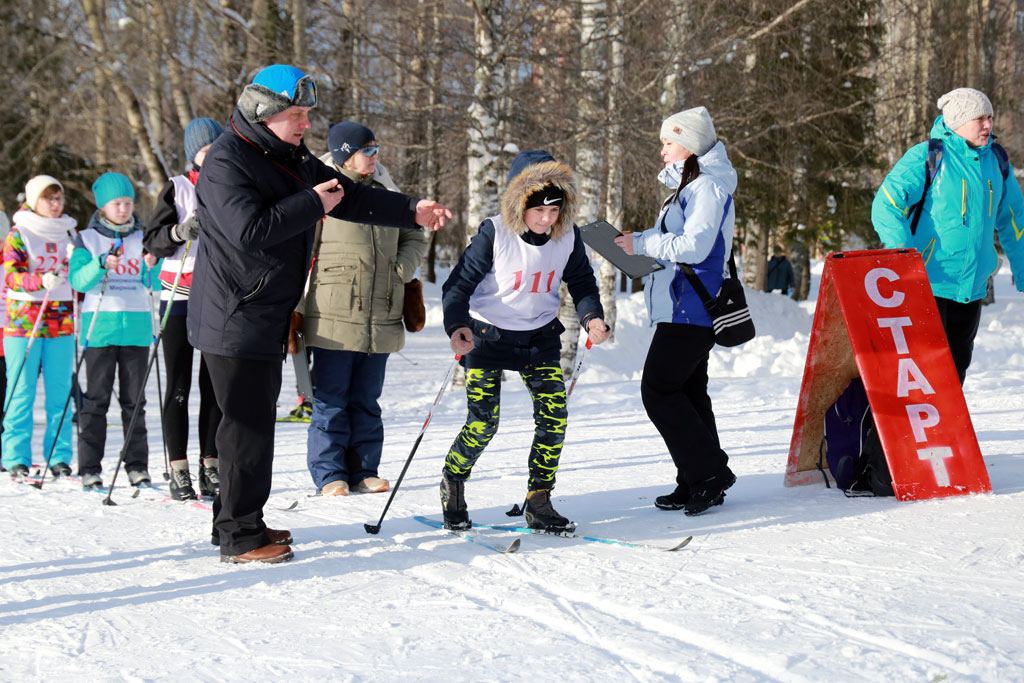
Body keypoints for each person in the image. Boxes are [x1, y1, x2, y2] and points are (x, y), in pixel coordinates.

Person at [188, 64, 451, 565]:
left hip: (262, 310)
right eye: (296, 114)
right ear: (264, 113)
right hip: (234, 314)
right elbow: (250, 230)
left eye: (307, 113)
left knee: (253, 425)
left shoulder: (286, 154)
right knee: (244, 428)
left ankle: (240, 521)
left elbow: (345, 194)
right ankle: (241, 537)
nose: (305, 123)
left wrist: (411, 210)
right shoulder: (227, 160)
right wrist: (312, 202)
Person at [440, 150, 609, 532]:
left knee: (554, 416)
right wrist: (457, 327)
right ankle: (453, 480)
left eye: (555, 210)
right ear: (520, 203)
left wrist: (592, 316)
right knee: (484, 423)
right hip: (487, 336)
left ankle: (539, 499)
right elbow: (458, 286)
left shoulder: (568, 237)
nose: (547, 219)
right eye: (539, 211)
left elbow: (581, 281)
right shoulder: (494, 232)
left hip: (539, 338)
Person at [613, 106, 737, 516]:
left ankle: (710, 473)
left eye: (669, 142)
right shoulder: (692, 186)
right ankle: (696, 480)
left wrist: (644, 245)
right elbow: (676, 238)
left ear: (690, 144)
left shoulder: (707, 187)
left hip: (692, 306)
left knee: (658, 390)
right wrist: (637, 241)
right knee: (688, 391)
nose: (662, 150)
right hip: (681, 304)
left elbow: (695, 246)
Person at [295, 121, 429, 496]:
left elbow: (416, 232)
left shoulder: (388, 192)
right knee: (331, 399)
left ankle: (364, 470)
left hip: (382, 313)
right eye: (366, 150)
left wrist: (402, 266)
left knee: (367, 400)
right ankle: (330, 473)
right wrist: (293, 309)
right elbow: (299, 252)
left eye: (376, 149)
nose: (374, 156)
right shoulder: (324, 193)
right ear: (344, 154)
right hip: (332, 314)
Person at [872, 87, 1024, 384]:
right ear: (957, 121)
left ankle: (944, 431)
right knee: (919, 372)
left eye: (990, 117)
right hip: (927, 283)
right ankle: (890, 432)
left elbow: (1015, 221)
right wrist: (904, 258)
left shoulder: (997, 162)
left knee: (955, 372)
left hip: (972, 288)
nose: (988, 125)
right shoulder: (928, 156)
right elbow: (886, 204)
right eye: (980, 118)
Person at [144, 117, 225, 501]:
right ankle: (178, 468)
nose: (213, 157)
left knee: (215, 386)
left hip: (216, 297)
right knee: (178, 385)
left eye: (218, 150)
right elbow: (153, 240)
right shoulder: (177, 188)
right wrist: (179, 232)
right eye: (206, 151)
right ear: (194, 153)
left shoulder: (233, 185)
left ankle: (211, 464)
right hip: (177, 295)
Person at [69, 172, 161, 490]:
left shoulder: (143, 236)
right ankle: (90, 468)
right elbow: (78, 281)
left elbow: (155, 283)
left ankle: (137, 465)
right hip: (101, 330)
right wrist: (98, 264)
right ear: (102, 207)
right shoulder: (87, 238)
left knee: (134, 402)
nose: (123, 209)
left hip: (136, 329)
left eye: (127, 203)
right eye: (116, 204)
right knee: (95, 402)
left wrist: (153, 264)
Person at [1, 176, 77, 479]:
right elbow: (11, 275)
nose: (56, 205)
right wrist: (39, 280)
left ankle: (58, 456)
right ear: (35, 201)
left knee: (60, 394)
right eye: (49, 199)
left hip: (61, 323)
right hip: (24, 324)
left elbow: (81, 273)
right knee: (21, 392)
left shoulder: (70, 232)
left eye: (59, 199)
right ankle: (15, 455)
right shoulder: (20, 232)